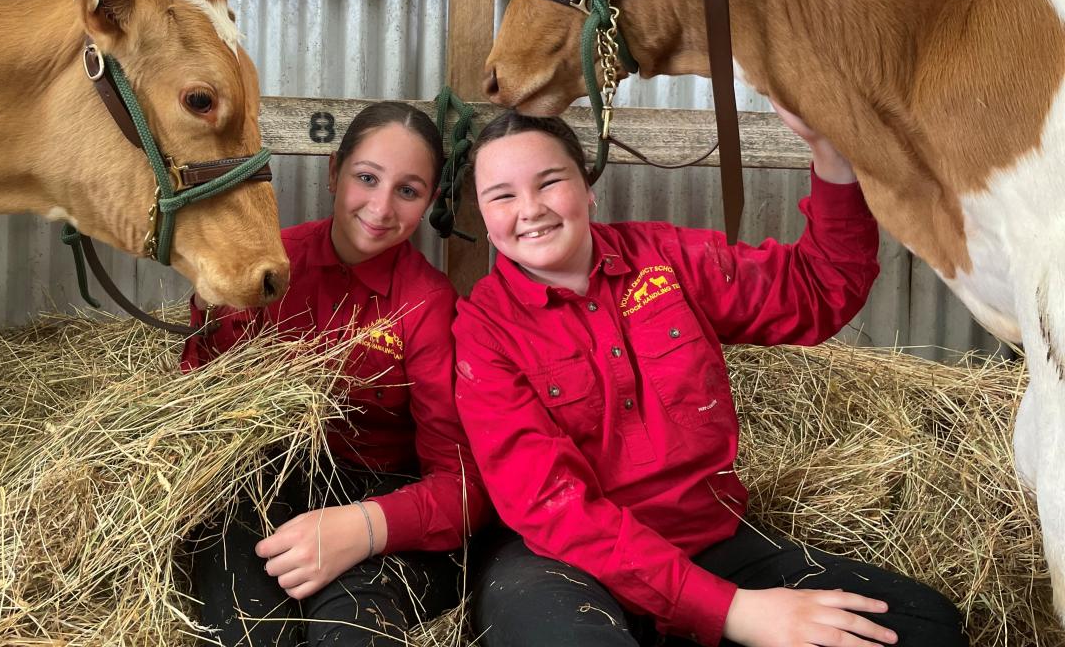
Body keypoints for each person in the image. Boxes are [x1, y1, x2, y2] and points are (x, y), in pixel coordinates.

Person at [452, 107, 967, 647]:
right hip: (565, 563)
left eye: (550, 182)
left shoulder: (667, 260)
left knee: (921, 624)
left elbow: (817, 290)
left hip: (705, 541)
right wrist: (731, 612)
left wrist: (833, 159)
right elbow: (551, 506)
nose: (530, 210)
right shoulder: (484, 330)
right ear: (484, 216)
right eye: (502, 196)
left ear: (587, 189)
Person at [181, 101, 490, 646]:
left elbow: (461, 485)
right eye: (367, 178)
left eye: (408, 191)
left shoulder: (426, 305)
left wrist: (364, 527)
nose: (380, 207)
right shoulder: (266, 269)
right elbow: (196, 400)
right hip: (263, 481)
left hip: (380, 489)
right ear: (333, 173)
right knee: (244, 619)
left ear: (429, 203)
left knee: (351, 618)